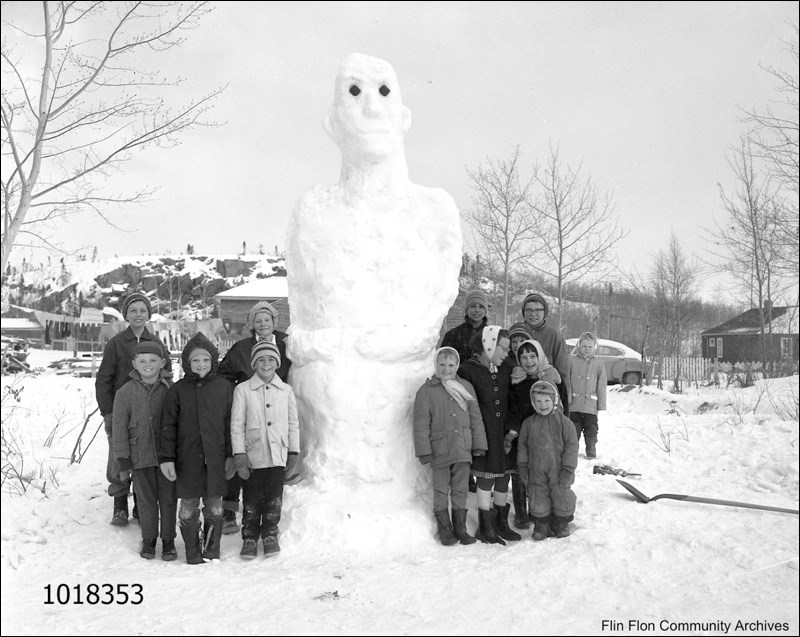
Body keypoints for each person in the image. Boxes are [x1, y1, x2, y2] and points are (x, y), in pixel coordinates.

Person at [96, 291, 172, 526]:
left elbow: (167, 375)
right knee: (119, 456)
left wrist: (169, 407)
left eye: (142, 310)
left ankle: (142, 503)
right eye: (133, 311)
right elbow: (103, 380)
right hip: (122, 411)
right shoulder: (117, 344)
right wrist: (108, 413)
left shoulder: (157, 343)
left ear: (149, 314)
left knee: (147, 455)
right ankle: (120, 503)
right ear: (126, 314)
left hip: (153, 409)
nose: (138, 315)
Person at [159, 333, 234, 565]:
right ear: (187, 364)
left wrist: (232, 455)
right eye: (195, 361)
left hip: (215, 458)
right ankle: (192, 551)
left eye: (205, 360)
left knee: (214, 506)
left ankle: (211, 549)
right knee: (188, 507)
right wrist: (167, 458)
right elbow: (168, 427)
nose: (201, 365)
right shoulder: (178, 390)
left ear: (213, 361)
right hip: (187, 459)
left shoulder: (224, 388)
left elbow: (232, 424)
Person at [217, 301, 291, 535]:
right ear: (251, 324)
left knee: (270, 460)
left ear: (274, 322)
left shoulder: (286, 344)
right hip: (247, 407)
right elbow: (224, 375)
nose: (262, 324)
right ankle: (229, 508)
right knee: (240, 454)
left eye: (267, 320)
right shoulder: (241, 348)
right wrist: (237, 394)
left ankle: (268, 517)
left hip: (275, 408)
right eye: (257, 321)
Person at [231, 341, 300, 559]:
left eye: (271, 359)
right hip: (253, 453)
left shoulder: (286, 390)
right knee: (251, 497)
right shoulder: (242, 390)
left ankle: (270, 533)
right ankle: (250, 536)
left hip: (278, 453)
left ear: (278, 363)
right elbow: (236, 424)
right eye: (261, 359)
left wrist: (293, 452)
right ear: (254, 364)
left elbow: (293, 423)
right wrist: (239, 455)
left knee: (273, 497)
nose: (266, 364)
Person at [413, 347, 488, 546]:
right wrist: (424, 451)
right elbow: (421, 424)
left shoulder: (465, 388)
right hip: (439, 450)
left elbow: (475, 417)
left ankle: (460, 527)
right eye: (442, 365)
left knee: (460, 489)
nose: (446, 369)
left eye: (451, 365)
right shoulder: (426, 391)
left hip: (462, 446)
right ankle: (445, 528)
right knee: (440, 490)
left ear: (457, 366)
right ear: (436, 365)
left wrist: (479, 444)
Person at [111, 341, 177, 561]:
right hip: (140, 456)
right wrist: (123, 461)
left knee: (168, 499)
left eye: (153, 360)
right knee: (146, 501)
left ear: (162, 362)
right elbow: (119, 429)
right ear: (134, 364)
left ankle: (168, 540)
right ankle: (149, 539)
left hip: (168, 458)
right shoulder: (125, 392)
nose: (148, 365)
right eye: (142, 361)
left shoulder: (172, 389)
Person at [457, 326, 520, 545]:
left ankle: (501, 523)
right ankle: (486, 526)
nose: (506, 353)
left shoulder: (509, 368)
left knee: (504, 475)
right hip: (484, 433)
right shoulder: (468, 370)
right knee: (485, 476)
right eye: (502, 348)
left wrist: (512, 429)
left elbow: (515, 399)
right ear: (488, 345)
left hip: (504, 432)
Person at [506, 338, 562, 529]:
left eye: (532, 356)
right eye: (523, 357)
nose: (528, 361)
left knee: (546, 475)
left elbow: (564, 408)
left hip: (547, 436)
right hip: (521, 435)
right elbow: (513, 409)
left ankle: (545, 513)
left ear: (540, 355)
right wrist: (513, 432)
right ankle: (521, 513)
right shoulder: (516, 380)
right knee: (520, 473)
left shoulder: (551, 377)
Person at [517, 380, 578, 540]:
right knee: (538, 494)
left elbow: (572, 446)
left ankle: (561, 522)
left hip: (559, 468)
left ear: (554, 401)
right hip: (536, 468)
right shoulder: (528, 423)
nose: (542, 405)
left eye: (546, 401)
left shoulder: (565, 423)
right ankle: (542, 524)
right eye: (538, 401)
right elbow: (522, 446)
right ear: (533, 402)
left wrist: (568, 468)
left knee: (561, 493)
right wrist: (523, 466)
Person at [520, 293, 571, 417]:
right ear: (523, 312)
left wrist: (565, 399)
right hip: (520, 396)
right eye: (529, 310)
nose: (533, 314)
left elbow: (563, 372)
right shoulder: (517, 333)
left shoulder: (554, 336)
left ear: (545, 312)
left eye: (538, 310)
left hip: (545, 400)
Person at [568, 331, 607, 459]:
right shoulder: (571, 360)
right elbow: (566, 380)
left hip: (591, 405)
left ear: (594, 347)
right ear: (579, 345)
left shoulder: (598, 363)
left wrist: (601, 404)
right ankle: (572, 451)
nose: (587, 349)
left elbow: (601, 385)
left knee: (591, 429)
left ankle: (591, 450)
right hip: (574, 404)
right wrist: (567, 398)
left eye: (590, 347)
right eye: (584, 346)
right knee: (574, 429)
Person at [441, 290, 489, 363]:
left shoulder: (492, 334)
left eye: (481, 307)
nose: (477, 310)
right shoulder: (452, 335)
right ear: (466, 309)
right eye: (473, 306)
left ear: (485, 310)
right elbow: (443, 362)